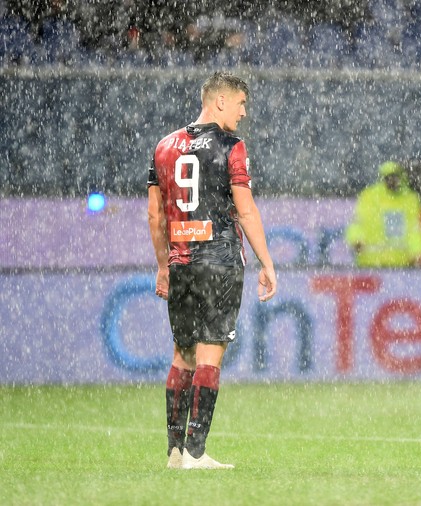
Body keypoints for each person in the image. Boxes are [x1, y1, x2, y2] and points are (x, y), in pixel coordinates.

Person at [148, 71, 277, 470]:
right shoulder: (231, 146)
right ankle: (196, 452)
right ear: (220, 101)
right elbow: (245, 208)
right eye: (240, 103)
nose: (244, 112)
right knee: (209, 357)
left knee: (182, 355)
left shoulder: (165, 146)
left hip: (181, 260)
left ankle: (173, 450)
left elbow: (155, 216)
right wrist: (267, 262)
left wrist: (162, 265)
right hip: (219, 260)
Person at [345, 161, 421, 268]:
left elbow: (415, 230)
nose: (392, 181)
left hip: (401, 266)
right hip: (369, 264)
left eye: (395, 177)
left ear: (402, 177)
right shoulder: (370, 196)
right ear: (383, 178)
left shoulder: (410, 200)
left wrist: (416, 253)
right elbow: (357, 222)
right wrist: (356, 240)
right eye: (388, 177)